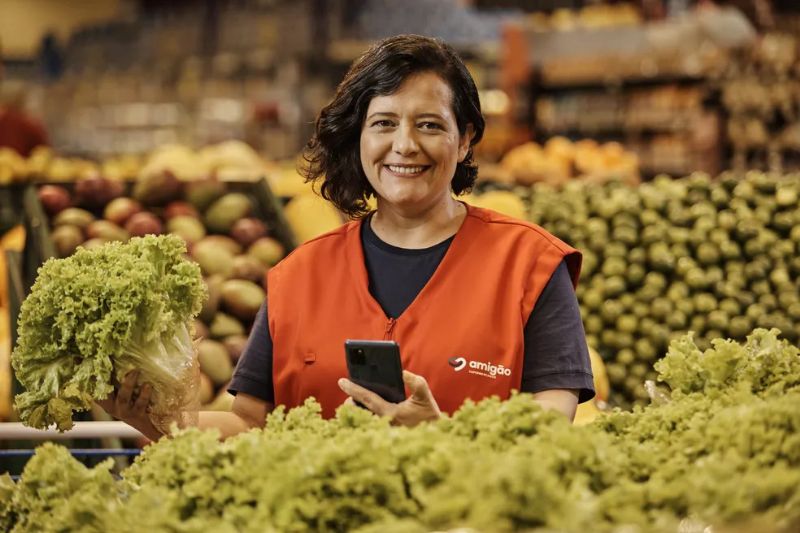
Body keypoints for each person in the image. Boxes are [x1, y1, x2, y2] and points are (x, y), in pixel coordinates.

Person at [102, 34, 594, 441]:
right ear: (358, 136)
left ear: (464, 139)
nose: (404, 145)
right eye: (383, 123)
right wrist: (160, 421)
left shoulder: (531, 266)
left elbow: (547, 435)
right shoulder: (298, 275)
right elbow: (249, 423)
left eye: (429, 125)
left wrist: (441, 434)